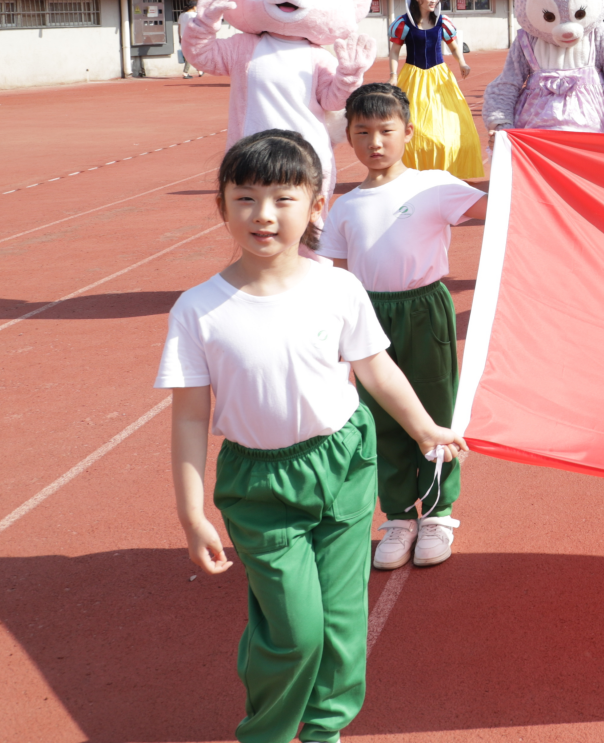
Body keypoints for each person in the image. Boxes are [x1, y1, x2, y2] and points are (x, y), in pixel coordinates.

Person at [158, 130, 465, 743]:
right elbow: (190, 417)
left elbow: (376, 367)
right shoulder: (198, 310)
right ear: (222, 207)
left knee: (342, 622)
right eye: (246, 198)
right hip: (260, 483)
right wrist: (191, 514)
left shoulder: (338, 288)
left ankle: (325, 731)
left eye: (283, 198)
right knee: (295, 630)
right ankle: (268, 732)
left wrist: (423, 426)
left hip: (345, 463)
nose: (264, 214)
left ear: (317, 206)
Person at [321, 84, 487, 571]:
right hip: (368, 316)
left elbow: (495, 208)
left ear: (408, 132)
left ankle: (437, 513)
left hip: (425, 309)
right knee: (381, 416)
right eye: (362, 132)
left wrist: (523, 164)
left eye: (386, 131)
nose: (375, 142)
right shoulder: (345, 207)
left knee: (435, 407)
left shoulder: (433, 186)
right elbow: (337, 275)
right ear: (349, 137)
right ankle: (397, 516)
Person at [387, 0, 485, 179]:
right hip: (413, 77)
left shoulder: (443, 22)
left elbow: (454, 47)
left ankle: (446, 169)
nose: (434, 0)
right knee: (413, 123)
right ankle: (412, 171)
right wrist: (393, 75)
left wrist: (462, 63)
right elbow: (394, 51)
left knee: (447, 121)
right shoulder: (403, 23)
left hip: (440, 78)